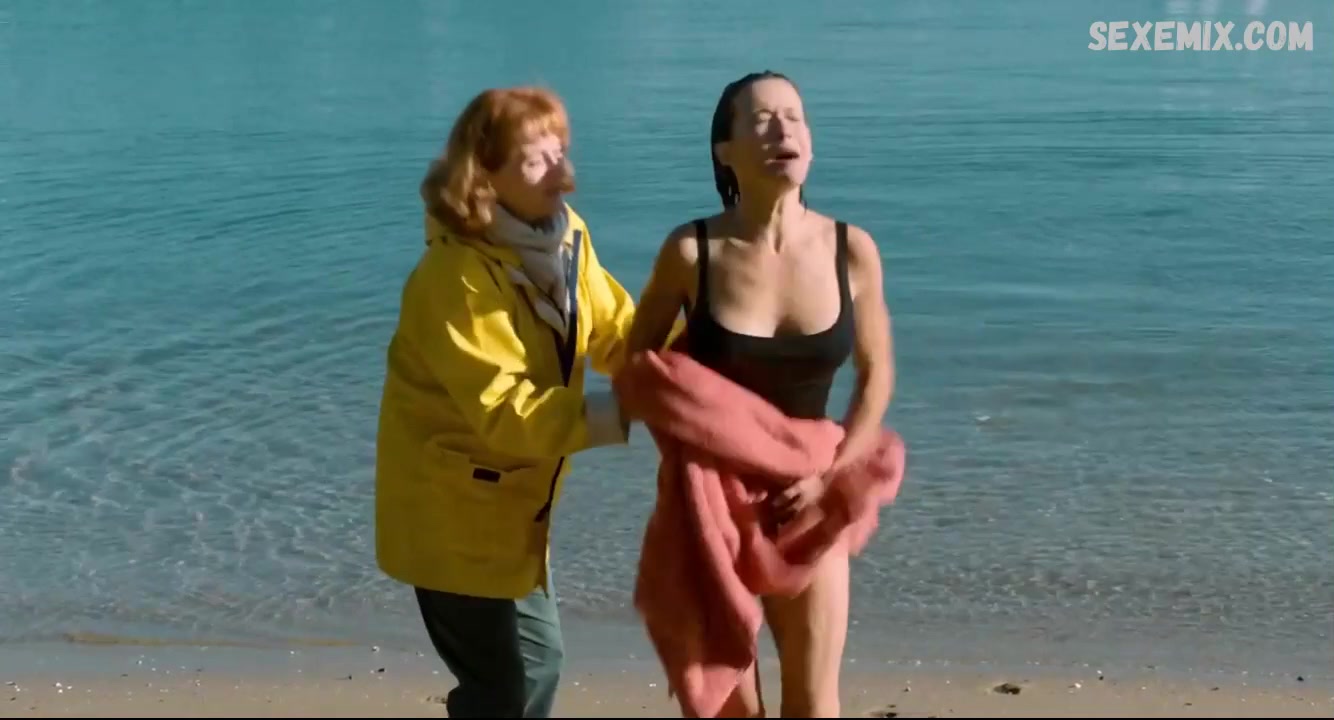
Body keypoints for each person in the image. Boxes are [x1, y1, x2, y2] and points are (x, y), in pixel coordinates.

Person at [624, 71, 896, 717]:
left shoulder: (851, 249)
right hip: (709, 502)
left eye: (795, 117)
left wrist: (831, 475)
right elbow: (638, 368)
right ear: (725, 151)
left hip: (810, 495)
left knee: (813, 703)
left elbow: (876, 374)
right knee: (731, 710)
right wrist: (695, 454)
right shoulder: (692, 251)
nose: (783, 131)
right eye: (763, 120)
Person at [374, 85, 637, 718]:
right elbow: (505, 411)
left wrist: (691, 361)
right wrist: (625, 412)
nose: (560, 171)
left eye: (560, 150)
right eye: (535, 159)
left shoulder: (566, 237)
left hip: (517, 517)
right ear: (483, 176)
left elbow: (615, 329)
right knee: (508, 687)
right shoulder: (454, 278)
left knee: (537, 668)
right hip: (450, 520)